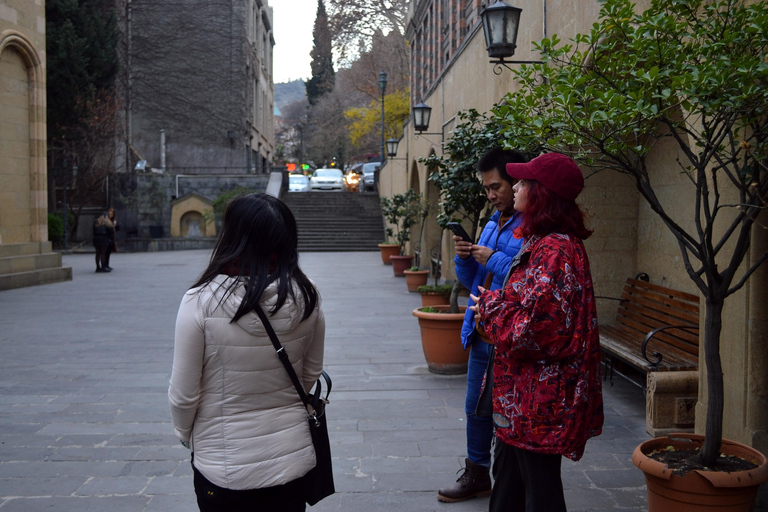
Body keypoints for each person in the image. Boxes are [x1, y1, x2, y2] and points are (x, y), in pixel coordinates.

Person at [169, 193, 325, 512]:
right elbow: (310, 374)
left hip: (224, 467)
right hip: (291, 462)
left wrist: (186, 435)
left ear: (232, 236)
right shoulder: (307, 297)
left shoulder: (199, 300)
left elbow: (183, 395)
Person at [471, 153, 604, 512]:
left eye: (523, 182)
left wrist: (491, 307)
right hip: (525, 399)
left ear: (541, 193)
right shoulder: (546, 243)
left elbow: (535, 330)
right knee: (510, 482)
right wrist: (499, 303)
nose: (515, 187)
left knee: (540, 492)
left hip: (538, 401)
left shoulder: (555, 250)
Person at [437, 147, 527, 503]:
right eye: (487, 188)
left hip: (511, 335)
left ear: (516, 183)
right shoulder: (492, 221)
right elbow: (475, 277)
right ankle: (477, 473)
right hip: (481, 329)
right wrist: (464, 258)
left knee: (507, 413)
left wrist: (495, 257)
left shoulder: (531, 225)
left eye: (497, 187)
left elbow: (528, 277)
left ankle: (512, 481)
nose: (491, 195)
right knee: (475, 407)